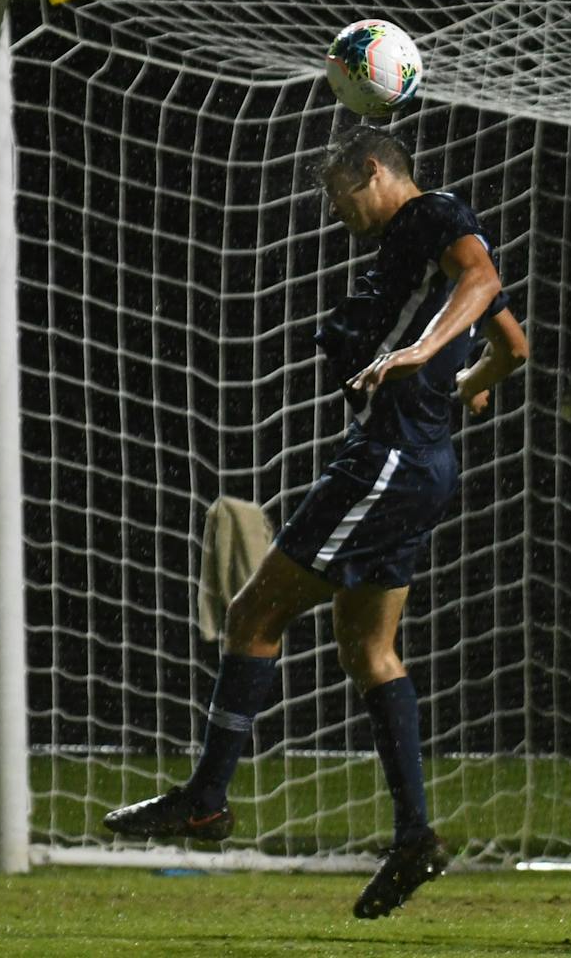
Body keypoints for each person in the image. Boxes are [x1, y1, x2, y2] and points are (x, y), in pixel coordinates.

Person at [104, 125, 529, 920]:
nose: (334, 210)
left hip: (388, 460)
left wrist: (421, 356)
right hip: (419, 462)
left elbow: (482, 277)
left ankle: (207, 798)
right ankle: (414, 837)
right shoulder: (410, 251)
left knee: (253, 614)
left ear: (372, 171)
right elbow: (513, 346)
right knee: (369, 649)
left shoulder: (433, 215)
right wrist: (467, 380)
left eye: (337, 192)